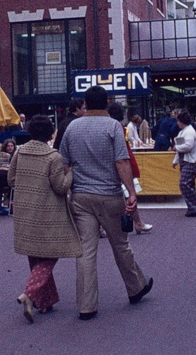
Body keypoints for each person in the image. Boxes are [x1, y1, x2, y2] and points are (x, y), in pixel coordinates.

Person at [59, 85, 153, 320]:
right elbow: (121, 162)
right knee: (120, 245)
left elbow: (64, 163)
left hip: (81, 197)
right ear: (106, 101)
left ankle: (86, 306)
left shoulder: (72, 127)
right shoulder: (112, 126)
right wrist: (131, 192)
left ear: (86, 104)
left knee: (86, 250)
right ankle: (136, 287)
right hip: (110, 194)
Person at [7, 114, 81, 322]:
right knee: (50, 255)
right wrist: (72, 173)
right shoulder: (53, 157)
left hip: (24, 210)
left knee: (35, 255)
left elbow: (11, 179)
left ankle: (45, 301)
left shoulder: (20, 152)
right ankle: (29, 293)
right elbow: (61, 186)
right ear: (50, 134)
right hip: (49, 213)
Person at [108, 102, 152, 234]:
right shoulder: (120, 128)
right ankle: (138, 223)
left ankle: (136, 223)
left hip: (111, 166)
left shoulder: (110, 127)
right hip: (123, 165)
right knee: (130, 195)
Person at [172, 109, 196, 216]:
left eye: (178, 121)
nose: (177, 123)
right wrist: (175, 160)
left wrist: (176, 148)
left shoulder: (189, 131)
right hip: (187, 161)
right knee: (189, 184)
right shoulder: (183, 131)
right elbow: (182, 149)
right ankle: (194, 207)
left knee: (184, 183)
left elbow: (188, 147)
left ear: (182, 121)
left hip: (191, 161)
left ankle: (193, 208)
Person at [0, 138, 16, 216]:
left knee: (9, 181)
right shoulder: (1, 156)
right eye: (8, 146)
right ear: (5, 147)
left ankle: (4, 204)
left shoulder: (16, 156)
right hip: (3, 177)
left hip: (13, 178)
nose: (10, 147)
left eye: (12, 146)